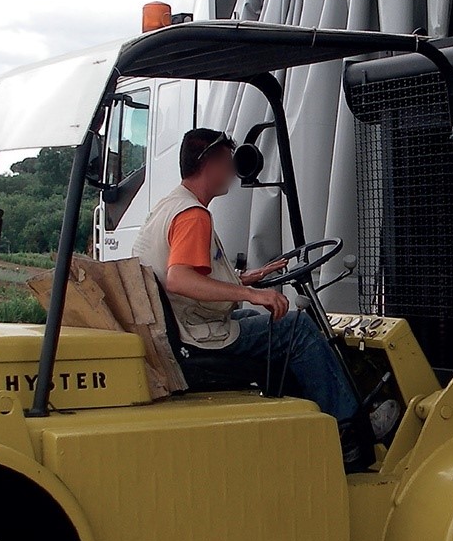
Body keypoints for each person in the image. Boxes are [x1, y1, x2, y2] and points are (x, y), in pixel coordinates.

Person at [133, 128, 361, 426]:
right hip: (195, 335)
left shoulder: (169, 205)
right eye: (227, 162)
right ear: (210, 163)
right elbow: (179, 280)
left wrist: (245, 279)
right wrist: (252, 295)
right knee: (298, 328)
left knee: (260, 322)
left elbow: (187, 276)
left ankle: (300, 416)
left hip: (181, 325)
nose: (232, 172)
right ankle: (348, 426)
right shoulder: (193, 216)